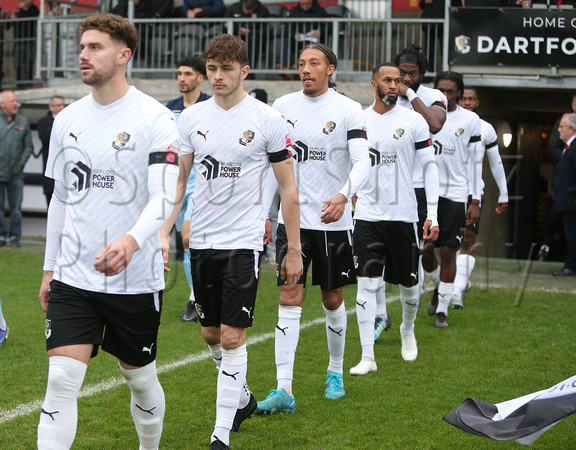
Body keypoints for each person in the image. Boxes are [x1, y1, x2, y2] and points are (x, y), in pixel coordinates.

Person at [37, 14, 179, 449]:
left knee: (139, 379)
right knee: (61, 380)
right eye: (82, 46)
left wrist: (130, 241)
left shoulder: (155, 119)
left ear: (123, 55)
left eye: (95, 47)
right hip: (74, 276)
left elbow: (162, 197)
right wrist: (49, 270)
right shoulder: (67, 119)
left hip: (133, 280)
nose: (83, 54)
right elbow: (60, 198)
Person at [161, 34, 302, 450]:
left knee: (230, 336)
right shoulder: (189, 119)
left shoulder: (268, 119)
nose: (217, 76)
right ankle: (240, 399)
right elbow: (181, 180)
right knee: (209, 334)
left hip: (243, 241)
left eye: (226, 69)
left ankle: (220, 433)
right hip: (201, 239)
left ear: (244, 71)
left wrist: (292, 248)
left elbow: (289, 188)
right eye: (212, 68)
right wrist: (169, 229)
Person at [256, 43, 371, 413]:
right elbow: (270, 169)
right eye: (302, 64)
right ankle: (283, 389)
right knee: (289, 298)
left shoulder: (349, 110)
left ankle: (334, 371)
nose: (306, 69)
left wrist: (343, 196)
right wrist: (264, 215)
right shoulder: (282, 107)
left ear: (331, 69)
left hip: (331, 223)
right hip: (293, 224)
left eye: (314, 63)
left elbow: (362, 162)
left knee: (332, 298)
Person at [351, 63, 439, 374]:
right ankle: (367, 356)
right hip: (367, 216)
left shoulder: (414, 121)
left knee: (409, 287)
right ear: (373, 83)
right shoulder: (359, 119)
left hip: (403, 216)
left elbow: (429, 167)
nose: (394, 85)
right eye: (387, 80)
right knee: (366, 285)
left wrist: (432, 213)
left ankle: (407, 330)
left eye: (398, 81)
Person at [369, 44, 447, 340]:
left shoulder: (430, 97)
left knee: (416, 259)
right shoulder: (385, 97)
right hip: (383, 187)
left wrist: (410, 95)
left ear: (421, 75)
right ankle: (380, 315)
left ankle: (434, 294)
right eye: (400, 74)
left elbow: (436, 124)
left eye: (411, 75)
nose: (403, 80)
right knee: (372, 259)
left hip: (418, 189)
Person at [422, 71, 482, 328]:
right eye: (441, 91)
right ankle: (439, 287)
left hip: (456, 194)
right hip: (426, 191)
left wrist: (475, 200)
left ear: (460, 93)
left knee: (448, 251)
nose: (446, 95)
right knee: (425, 252)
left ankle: (442, 310)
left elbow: (476, 162)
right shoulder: (426, 114)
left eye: (451, 91)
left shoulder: (470, 120)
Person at [451, 87, 508, 308]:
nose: (466, 102)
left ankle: (456, 292)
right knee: (434, 247)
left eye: (471, 99)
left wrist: (504, 193)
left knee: (468, 240)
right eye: (463, 98)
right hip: (443, 193)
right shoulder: (441, 121)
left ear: (477, 102)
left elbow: (496, 162)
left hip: (472, 194)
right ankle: (445, 282)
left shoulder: (486, 129)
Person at [166, 55, 211, 322]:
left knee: (188, 238)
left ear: (199, 78)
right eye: (179, 73)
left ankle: (196, 299)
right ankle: (196, 296)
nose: (182, 78)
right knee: (179, 243)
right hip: (174, 184)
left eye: (187, 74)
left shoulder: (209, 105)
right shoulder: (169, 109)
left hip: (201, 185)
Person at [539, 95, 576, 262]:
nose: (561, 129)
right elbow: (553, 146)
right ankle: (546, 245)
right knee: (559, 213)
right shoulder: (564, 122)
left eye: (563, 128)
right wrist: (568, 156)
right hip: (566, 182)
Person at [0, 90, 34, 248]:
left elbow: (28, 147)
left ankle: (15, 237)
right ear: (2, 104)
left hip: (16, 175)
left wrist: (20, 164)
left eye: (16, 101)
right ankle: (1, 236)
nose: (15, 104)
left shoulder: (23, 121)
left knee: (16, 209)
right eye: (12, 101)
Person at [551, 113, 576, 277]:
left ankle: (571, 266)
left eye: (562, 127)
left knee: (573, 234)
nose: (559, 130)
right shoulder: (569, 146)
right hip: (568, 201)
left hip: (572, 201)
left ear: (572, 129)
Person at [278, 0, 329, 72]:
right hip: (298, 39)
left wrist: (320, 31)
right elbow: (287, 28)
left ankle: (302, 68)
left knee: (309, 47)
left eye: (307, 4)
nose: (305, 6)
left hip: (313, 40)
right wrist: (294, 35)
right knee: (287, 41)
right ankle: (286, 67)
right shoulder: (294, 11)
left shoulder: (320, 11)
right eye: (302, 4)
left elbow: (329, 26)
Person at [37, 95, 66, 209]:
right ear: (51, 107)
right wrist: (58, 121)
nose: (62, 108)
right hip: (50, 169)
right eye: (58, 105)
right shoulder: (44, 121)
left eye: (63, 105)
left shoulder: (69, 122)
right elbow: (45, 137)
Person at [10, 0, 40, 88]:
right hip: (19, 41)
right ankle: (19, 83)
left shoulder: (34, 10)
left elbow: (31, 16)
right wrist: (12, 18)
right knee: (18, 63)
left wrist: (24, 9)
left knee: (29, 62)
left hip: (30, 41)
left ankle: (29, 83)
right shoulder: (18, 11)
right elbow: (9, 25)